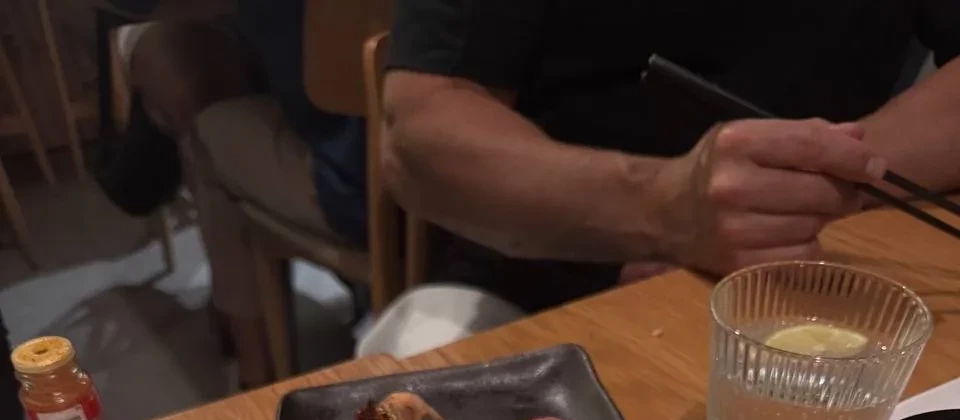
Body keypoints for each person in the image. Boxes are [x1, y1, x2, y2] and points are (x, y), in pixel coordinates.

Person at [383, 1, 960, 315]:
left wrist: (809, 189)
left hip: (834, 265)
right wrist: (661, 213)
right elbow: (421, 132)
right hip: (538, 280)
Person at [101, 2, 366, 386]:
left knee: (209, 120)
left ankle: (256, 373)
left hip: (358, 188)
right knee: (197, 69)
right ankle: (249, 335)